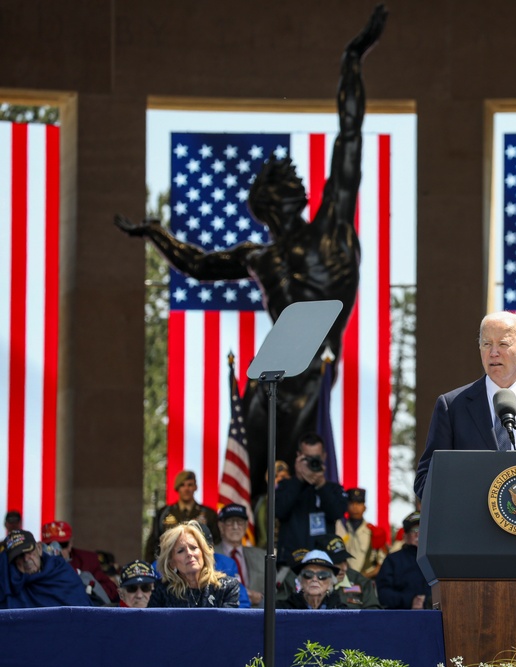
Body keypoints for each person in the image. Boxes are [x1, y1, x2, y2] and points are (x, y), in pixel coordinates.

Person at [113, 6, 388, 502]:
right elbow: (198, 265)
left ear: (296, 197)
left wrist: (352, 59)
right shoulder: (257, 256)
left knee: (300, 473)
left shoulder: (331, 226)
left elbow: (349, 137)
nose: (280, 193)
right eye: (271, 191)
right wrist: (156, 232)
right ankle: (247, 538)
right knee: (252, 477)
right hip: (273, 374)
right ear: (263, 206)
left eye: (285, 187)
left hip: (313, 369)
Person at [413, 311, 516, 498]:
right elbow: (425, 481)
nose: (493, 353)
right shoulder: (452, 407)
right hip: (471, 523)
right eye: (487, 344)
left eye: (503, 344)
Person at [274, 432, 347, 565]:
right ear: (298, 457)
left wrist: (321, 485)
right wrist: (299, 479)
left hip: (323, 563)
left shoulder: (332, 489)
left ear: (324, 456)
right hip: (290, 562)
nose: (313, 462)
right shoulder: (286, 486)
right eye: (307, 458)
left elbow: (336, 513)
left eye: (316, 458)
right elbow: (278, 511)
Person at [148, 520, 240, 608]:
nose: (189, 553)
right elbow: (153, 623)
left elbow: (227, 623)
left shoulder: (227, 587)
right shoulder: (161, 591)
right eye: (181, 551)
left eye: (194, 548)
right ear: (171, 562)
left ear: (203, 552)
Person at [1, 529, 92, 608]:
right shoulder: (9, 585)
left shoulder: (61, 572)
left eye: (29, 551)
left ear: (39, 548)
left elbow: (83, 612)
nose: (26, 559)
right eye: (19, 556)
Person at [143, 470, 220, 562]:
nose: (186, 489)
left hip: (198, 563)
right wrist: (151, 565)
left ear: (195, 487)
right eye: (182, 485)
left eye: (190, 485)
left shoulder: (208, 514)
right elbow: (154, 542)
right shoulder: (164, 513)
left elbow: (216, 542)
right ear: (177, 488)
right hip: (169, 564)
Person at [40, 520, 119, 605]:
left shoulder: (87, 560)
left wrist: (82, 583)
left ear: (70, 544)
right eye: (50, 546)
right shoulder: (37, 564)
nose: (56, 550)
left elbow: (111, 592)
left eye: (62, 545)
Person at [376, 512, 432, 609]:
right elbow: (383, 594)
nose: (418, 534)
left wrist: (427, 601)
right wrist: (410, 600)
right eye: (414, 530)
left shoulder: (436, 559)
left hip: (435, 614)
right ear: (405, 536)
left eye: (422, 529)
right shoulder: (392, 560)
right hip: (401, 615)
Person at [216, 503, 266, 607]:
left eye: (240, 522)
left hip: (259, 615)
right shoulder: (209, 555)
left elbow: (274, 592)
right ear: (221, 526)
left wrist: (261, 598)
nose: (235, 527)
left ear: (246, 526)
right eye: (230, 522)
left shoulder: (262, 556)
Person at [335, 488, 388, 579]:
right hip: (343, 579)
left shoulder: (374, 532)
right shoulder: (340, 528)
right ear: (346, 506)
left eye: (359, 503)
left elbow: (382, 563)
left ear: (364, 507)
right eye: (351, 503)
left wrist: (365, 576)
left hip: (367, 581)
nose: (355, 507)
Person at [277, 549, 346, 610]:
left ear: (331, 583)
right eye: (308, 574)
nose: (314, 579)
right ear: (301, 581)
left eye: (322, 575)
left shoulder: (342, 612)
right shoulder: (282, 610)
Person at [325, 536, 381, 609]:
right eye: (337, 562)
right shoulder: (311, 584)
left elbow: (374, 613)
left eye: (345, 560)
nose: (344, 568)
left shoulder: (361, 582)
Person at [254, 460, 290, 551]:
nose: (279, 480)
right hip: (264, 550)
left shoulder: (296, 500)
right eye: (275, 476)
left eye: (283, 477)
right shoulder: (259, 502)